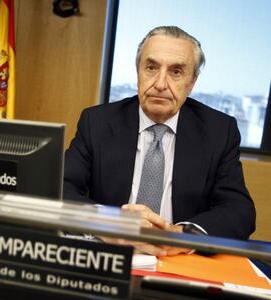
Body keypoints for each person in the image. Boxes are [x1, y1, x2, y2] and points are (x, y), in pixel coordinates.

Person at [64, 26, 256, 256]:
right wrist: (107, 222)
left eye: (176, 72)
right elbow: (60, 188)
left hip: (179, 260)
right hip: (110, 254)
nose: (160, 83)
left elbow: (239, 210)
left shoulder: (219, 130)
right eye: (151, 67)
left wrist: (184, 235)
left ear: (192, 82)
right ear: (138, 72)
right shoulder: (97, 122)